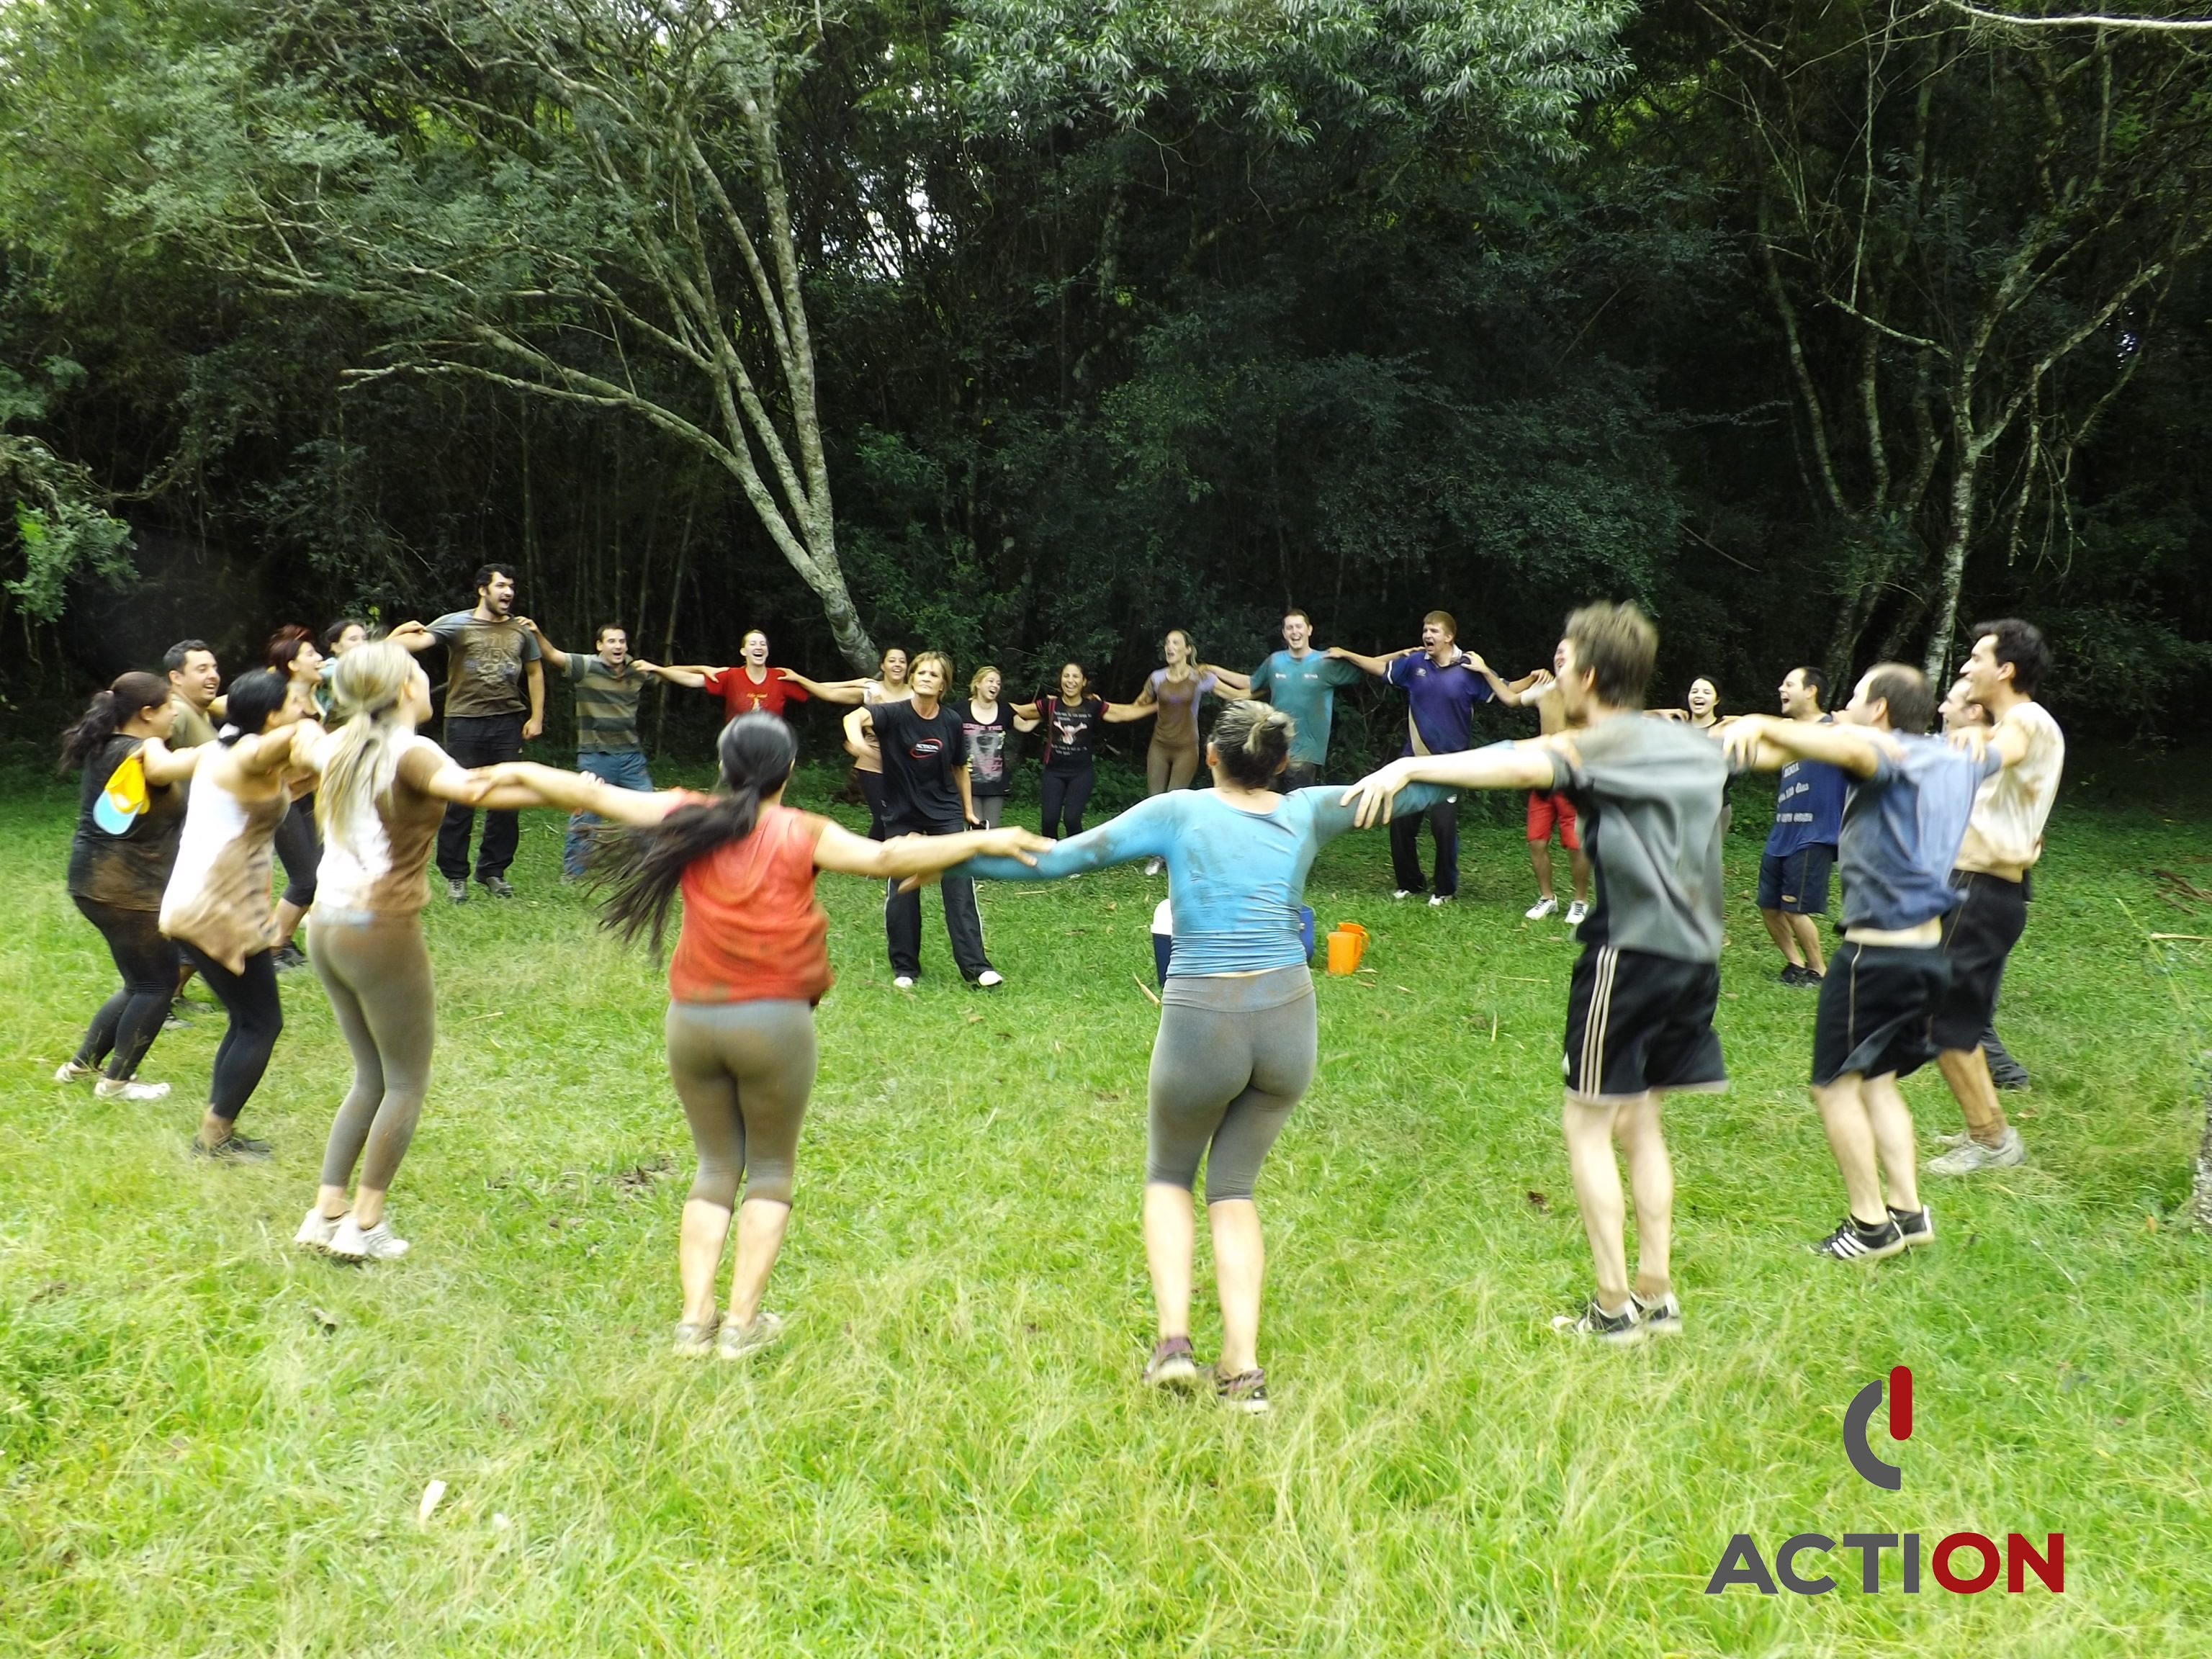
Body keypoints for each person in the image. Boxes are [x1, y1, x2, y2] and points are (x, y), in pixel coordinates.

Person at [469, 716, 1049, 1358]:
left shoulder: (684, 812)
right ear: (789, 770)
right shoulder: (803, 831)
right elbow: (886, 857)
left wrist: (496, 775)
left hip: (692, 1020)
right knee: (769, 1171)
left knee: (714, 1168)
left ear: (724, 765)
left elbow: (584, 793)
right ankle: (742, 1325)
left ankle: (694, 1323)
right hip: (773, 1023)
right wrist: (979, 843)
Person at [953, 701, 1455, 1413]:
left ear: (1212, 757)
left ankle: (1173, 1346)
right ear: (1281, 764)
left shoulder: (1177, 811)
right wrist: (1418, 766)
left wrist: (945, 855)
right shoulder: (1311, 808)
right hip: (1287, 1023)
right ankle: (1243, 1374)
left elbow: (1055, 860)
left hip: (1203, 1021)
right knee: (1234, 1190)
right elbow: (1432, 790)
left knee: (1168, 1175)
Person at [1345, 602, 1727, 1347]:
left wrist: (1410, 763)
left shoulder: (1596, 746)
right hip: (1694, 955)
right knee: (1642, 1121)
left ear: (1585, 676)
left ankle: (1614, 1308)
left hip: (1631, 955)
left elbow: (1515, 763)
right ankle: (1657, 1292)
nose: (1555, 676)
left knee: (1587, 1125)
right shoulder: (1683, 741)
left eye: (1563, 665)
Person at [1725, 664, 2003, 1261]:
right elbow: (2009, 744)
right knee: (1875, 1081)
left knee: (1834, 1088)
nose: (1844, 705)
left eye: (1853, 697)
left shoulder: (1885, 753)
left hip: (1876, 956)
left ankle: (1869, 1225)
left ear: (1878, 710)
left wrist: (1757, 723)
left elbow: (1840, 743)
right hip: (1928, 953)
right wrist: (1984, 731)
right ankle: (1907, 1212)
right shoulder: (1959, 757)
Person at [290, 642, 546, 1261]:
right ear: (405, 689)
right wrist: (571, 792)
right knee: (405, 1082)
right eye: (420, 674)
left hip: (325, 923)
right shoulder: (413, 750)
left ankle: (326, 1214)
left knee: (370, 1076)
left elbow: (305, 740)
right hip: (377, 929)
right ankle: (365, 1225)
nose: (427, 682)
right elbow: (470, 788)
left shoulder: (344, 742)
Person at [158, 668, 322, 1160]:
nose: (306, 709)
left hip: (197, 901)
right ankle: (214, 1139)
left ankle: (215, 1131)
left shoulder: (219, 749)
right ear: (271, 716)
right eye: (296, 704)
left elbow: (288, 773)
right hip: (219, 908)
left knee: (244, 1019)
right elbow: (277, 747)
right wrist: (310, 733)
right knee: (260, 1023)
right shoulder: (247, 752)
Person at [1923, 620, 2064, 1177]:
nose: (1964, 668)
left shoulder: (2024, 719)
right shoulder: (2018, 724)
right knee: (1950, 1016)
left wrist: (1973, 741)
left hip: (1982, 892)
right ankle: (1984, 1128)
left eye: (1975, 658)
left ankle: (1992, 1140)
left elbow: (2002, 747)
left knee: (1944, 1021)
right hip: (1974, 889)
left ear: (2005, 669)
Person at [54, 672, 202, 1100]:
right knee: (158, 983)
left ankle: (80, 1067)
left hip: (98, 882)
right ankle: (116, 1083)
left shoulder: (112, 746)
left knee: (140, 982)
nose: (175, 712)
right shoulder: (141, 751)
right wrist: (227, 752)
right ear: (147, 713)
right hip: (125, 888)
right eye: (169, 705)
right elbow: (160, 765)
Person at [1328, 611, 1524, 905]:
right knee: (1401, 822)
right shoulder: (1415, 663)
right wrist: (1348, 655)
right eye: (1425, 630)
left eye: (1433, 631)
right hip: (1414, 761)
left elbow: (1507, 691)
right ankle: (1410, 883)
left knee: (1443, 828)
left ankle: (1445, 889)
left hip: (1452, 767)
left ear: (1449, 636)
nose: (1427, 636)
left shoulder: (1470, 670)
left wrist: (1532, 678)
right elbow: (1381, 668)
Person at [854, 652, 1008, 988]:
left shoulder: (951, 721)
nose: (925, 677)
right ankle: (905, 969)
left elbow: (959, 767)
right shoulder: (892, 714)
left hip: (944, 809)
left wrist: (968, 810)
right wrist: (857, 744)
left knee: (958, 883)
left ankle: (977, 967)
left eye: (933, 674)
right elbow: (854, 718)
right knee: (903, 889)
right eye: (920, 672)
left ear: (943, 685)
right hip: (902, 812)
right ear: (911, 678)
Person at [398, 563, 545, 901]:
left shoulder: (521, 631)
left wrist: (536, 716)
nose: (508, 593)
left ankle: (493, 871)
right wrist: (396, 636)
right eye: (501, 586)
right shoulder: (458, 623)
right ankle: (455, 875)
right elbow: (414, 644)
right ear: (483, 590)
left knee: (506, 800)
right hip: (464, 721)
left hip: (507, 721)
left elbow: (535, 673)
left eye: (511, 587)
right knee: (460, 798)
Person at [518, 620, 683, 879]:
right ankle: (573, 872)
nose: (617, 646)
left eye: (621, 641)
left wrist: (665, 668)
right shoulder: (586, 667)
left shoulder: (636, 670)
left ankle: (651, 867)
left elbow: (676, 674)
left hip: (631, 756)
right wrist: (537, 632)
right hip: (596, 756)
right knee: (587, 813)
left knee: (649, 812)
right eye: (611, 641)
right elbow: (552, 655)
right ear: (600, 645)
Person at [1939, 675, 2031, 1090]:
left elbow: (2028, 832)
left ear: (1975, 711)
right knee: (1958, 1005)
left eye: (1951, 701)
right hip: (1966, 888)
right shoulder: (1959, 758)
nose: (1942, 709)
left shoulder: (2005, 748)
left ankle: (2004, 1086)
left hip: (1985, 891)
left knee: (1957, 1008)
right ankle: (1990, 1115)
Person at [1755, 667, 1845, 986]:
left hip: (1815, 833)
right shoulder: (1787, 733)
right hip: (1782, 833)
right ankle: (1795, 964)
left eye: (1789, 683)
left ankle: (1819, 970)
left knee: (1795, 909)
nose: (1781, 688)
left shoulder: (1835, 729)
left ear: (1811, 691)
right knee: (1769, 906)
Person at [1205, 610, 1363, 789]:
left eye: (1299, 627)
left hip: (1306, 751)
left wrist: (1395, 660)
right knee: (1265, 802)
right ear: (1284, 633)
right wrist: (1214, 671)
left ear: (1309, 630)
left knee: (1296, 807)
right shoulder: (1275, 661)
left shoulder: (1325, 662)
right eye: (1290, 628)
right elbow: (1251, 683)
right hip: (1273, 746)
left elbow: (1370, 666)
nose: (1295, 632)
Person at [1011, 662, 1149, 840]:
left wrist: (1157, 706)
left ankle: (1074, 862)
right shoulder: (1050, 705)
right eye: (1066, 676)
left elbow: (1123, 713)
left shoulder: (1093, 706)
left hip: (1081, 773)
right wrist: (984, 702)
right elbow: (1020, 710)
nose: (1070, 681)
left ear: (1084, 681)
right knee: (1049, 820)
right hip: (1054, 772)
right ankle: (1051, 861)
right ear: (1060, 680)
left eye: (1076, 676)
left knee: (1072, 819)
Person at [1122, 631, 1220, 874]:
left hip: (1186, 748)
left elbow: (1236, 693)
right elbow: (1136, 706)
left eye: (1176, 643)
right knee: (1155, 802)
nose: (1170, 647)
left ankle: (1167, 854)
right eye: (1166, 642)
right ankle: (1160, 853)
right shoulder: (1156, 678)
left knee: (1174, 802)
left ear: (1188, 649)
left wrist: (1264, 685)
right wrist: (1102, 707)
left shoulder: (1200, 677)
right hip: (1159, 746)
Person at [1509, 649, 1591, 925]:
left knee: (1575, 845)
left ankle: (1580, 902)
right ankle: (1548, 898)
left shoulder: (1590, 692)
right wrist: (1485, 670)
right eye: (1557, 652)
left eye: (1567, 654)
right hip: (1543, 777)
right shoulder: (1545, 689)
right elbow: (1509, 695)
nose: (1559, 657)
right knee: (1536, 841)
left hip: (1573, 779)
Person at [266, 626, 328, 969]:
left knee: (320, 873)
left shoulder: (313, 693)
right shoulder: (278, 702)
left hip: (309, 795)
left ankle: (283, 941)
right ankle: (273, 948)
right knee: (305, 878)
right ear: (292, 664)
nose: (319, 658)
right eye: (310, 654)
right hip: (281, 799)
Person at [664, 629, 871, 721]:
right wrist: (657, 669)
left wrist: (856, 682)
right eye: (753, 643)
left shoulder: (780, 676)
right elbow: (690, 680)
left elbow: (817, 687)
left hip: (771, 744)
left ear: (767, 651)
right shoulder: (731, 676)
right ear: (743, 652)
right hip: (737, 743)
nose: (759, 647)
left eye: (762, 643)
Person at [839, 647, 912, 838]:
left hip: (902, 765)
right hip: (872, 763)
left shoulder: (915, 696)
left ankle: (889, 862)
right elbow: (848, 714)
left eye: (902, 661)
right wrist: (801, 680)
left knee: (901, 817)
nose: (897, 665)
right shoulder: (873, 691)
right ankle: (873, 863)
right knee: (883, 818)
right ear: (883, 665)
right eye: (892, 660)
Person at [956, 664, 1033, 830]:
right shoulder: (960, 710)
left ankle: (989, 857)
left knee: (993, 830)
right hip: (968, 782)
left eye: (998, 683)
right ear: (977, 683)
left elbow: (1025, 726)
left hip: (995, 783)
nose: (995, 686)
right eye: (990, 681)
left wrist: (1050, 711)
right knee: (975, 830)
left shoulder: (1004, 710)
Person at [163, 639, 222, 752]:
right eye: (202, 670)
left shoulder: (203, 711)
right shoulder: (176, 712)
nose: (214, 675)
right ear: (176, 678)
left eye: (215, 669)